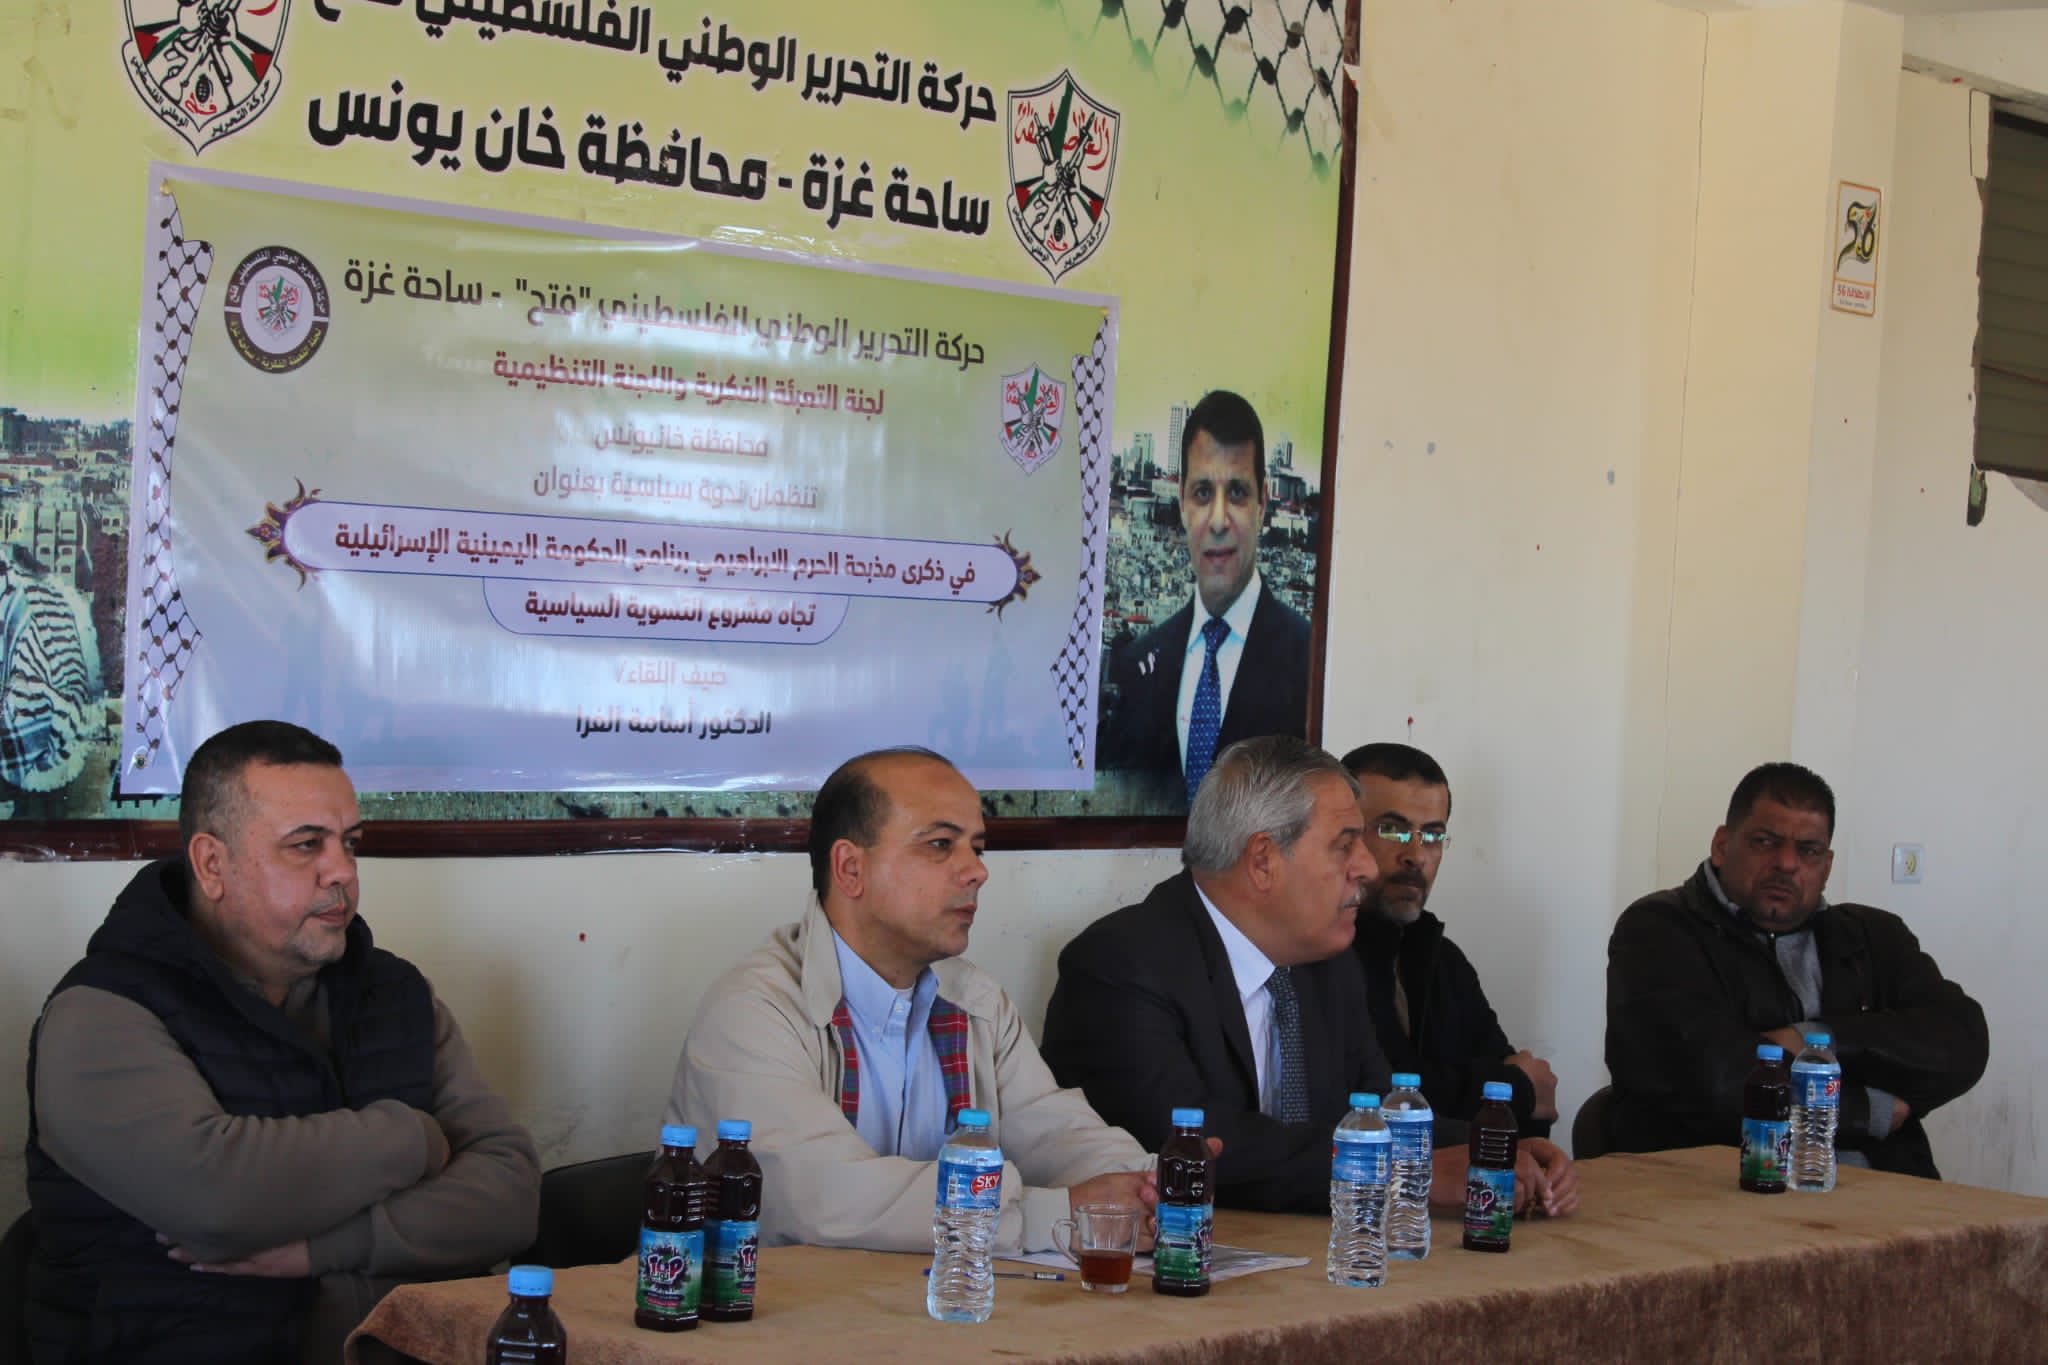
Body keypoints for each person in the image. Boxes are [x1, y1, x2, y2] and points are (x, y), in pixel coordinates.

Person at [24, 720, 538, 1364]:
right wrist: (415, 1138)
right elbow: (215, 1199)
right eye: (306, 845)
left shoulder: (394, 994)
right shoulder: (103, 1012)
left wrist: (319, 1249)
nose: (342, 872)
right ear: (212, 864)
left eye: (350, 843)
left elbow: (511, 1197)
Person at [1042, 736, 1577, 1216]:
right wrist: (1401, 1173)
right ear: (1263, 860)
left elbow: (1374, 1109)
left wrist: (1487, 1145)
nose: (1367, 867)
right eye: (1346, 844)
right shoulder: (1119, 965)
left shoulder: (1327, 963)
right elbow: (1194, 1142)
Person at [667, 746, 1157, 1255]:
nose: (977, 871)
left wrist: (1149, 1186)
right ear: (850, 869)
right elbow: (822, 1197)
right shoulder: (754, 1011)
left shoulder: (976, 1002)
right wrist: (1057, 1214)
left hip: (920, 1299)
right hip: (765, 1301)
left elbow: (1055, 1133)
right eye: (941, 845)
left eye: (977, 848)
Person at [1605, 762, 1988, 1178]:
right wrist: (1865, 1110)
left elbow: (1962, 1043)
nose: (1786, 863)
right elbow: (1710, 1080)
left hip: (1885, 1187)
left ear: (1827, 865)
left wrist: (1818, 1038)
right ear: (1722, 846)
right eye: (1765, 842)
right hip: (1720, 1188)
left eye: (1808, 850)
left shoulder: (1875, 937)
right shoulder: (1658, 929)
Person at [1101, 389, 1311, 809]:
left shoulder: (1308, 660)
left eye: (1237, 493)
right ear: (1181, 501)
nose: (1218, 520)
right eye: (1201, 493)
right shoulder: (1140, 664)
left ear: (1263, 502)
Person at [1341, 743, 1558, 1136]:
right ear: (1344, 837)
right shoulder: (1318, 953)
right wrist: (1514, 1088)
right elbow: (1377, 1097)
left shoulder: (1443, 958)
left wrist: (1509, 1092)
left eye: (1432, 835)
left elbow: (1528, 1112)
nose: (1416, 855)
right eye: (1392, 829)